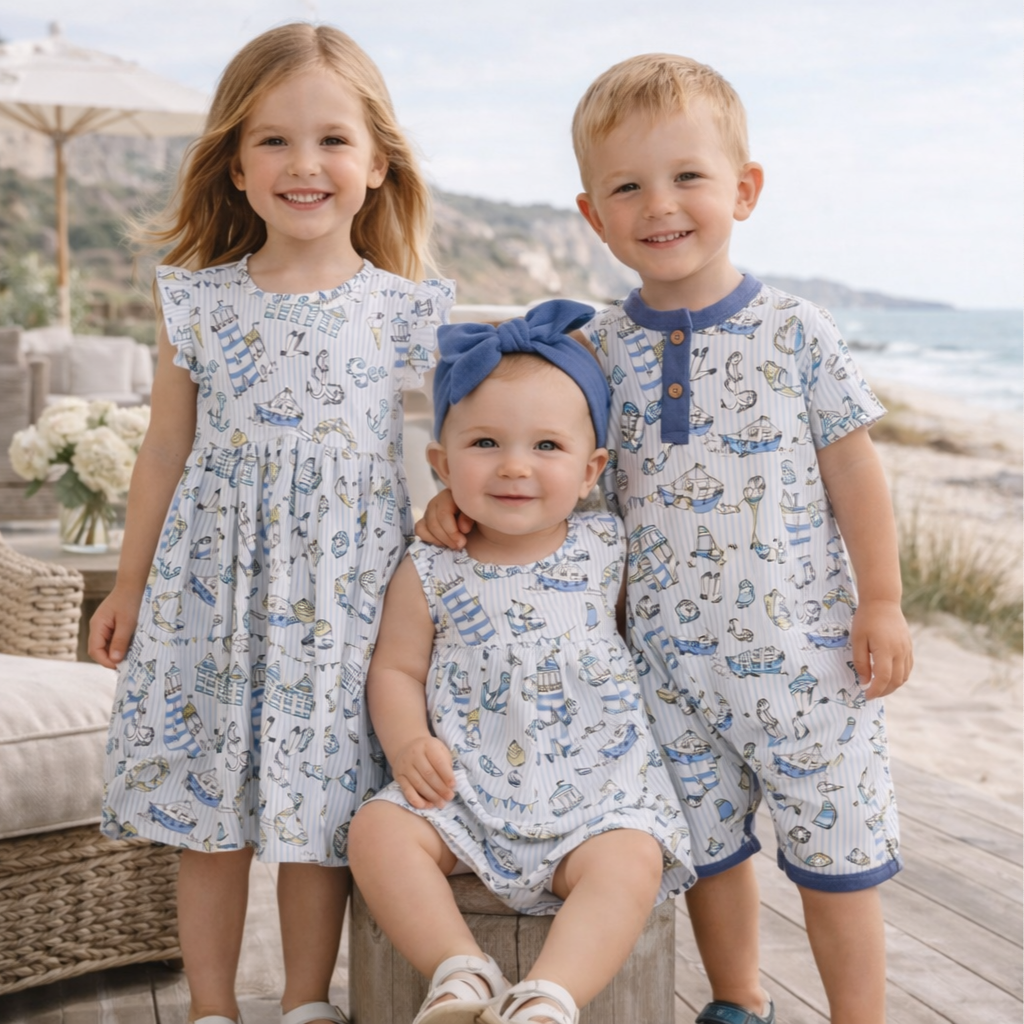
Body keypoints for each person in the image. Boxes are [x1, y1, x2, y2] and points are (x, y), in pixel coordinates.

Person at [418, 54, 913, 1024]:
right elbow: (539, 455)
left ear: (743, 188)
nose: (660, 203)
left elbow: (855, 470)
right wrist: (461, 507)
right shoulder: (597, 349)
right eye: (627, 186)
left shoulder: (795, 331)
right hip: (663, 669)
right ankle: (736, 1000)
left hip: (805, 659)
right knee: (710, 852)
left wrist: (882, 598)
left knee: (837, 859)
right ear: (593, 215)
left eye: (687, 176)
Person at [89, 23, 453, 1024]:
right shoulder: (197, 302)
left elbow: (449, 453)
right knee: (211, 814)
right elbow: (163, 452)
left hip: (343, 599)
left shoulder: (404, 310)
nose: (305, 165)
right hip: (213, 594)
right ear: (236, 167)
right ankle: (211, 1008)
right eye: (274, 142)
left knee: (323, 811)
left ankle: (303, 1003)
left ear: (377, 162)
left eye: (332, 140)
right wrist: (127, 584)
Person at [348, 300, 694, 1024]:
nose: (514, 467)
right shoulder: (432, 565)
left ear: (592, 467)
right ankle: (458, 971)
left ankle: (548, 998)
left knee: (633, 858)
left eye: (546, 447)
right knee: (376, 834)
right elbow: (396, 669)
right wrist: (409, 742)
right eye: (483, 444)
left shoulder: (609, 548)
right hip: (463, 794)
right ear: (440, 465)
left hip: (593, 797)